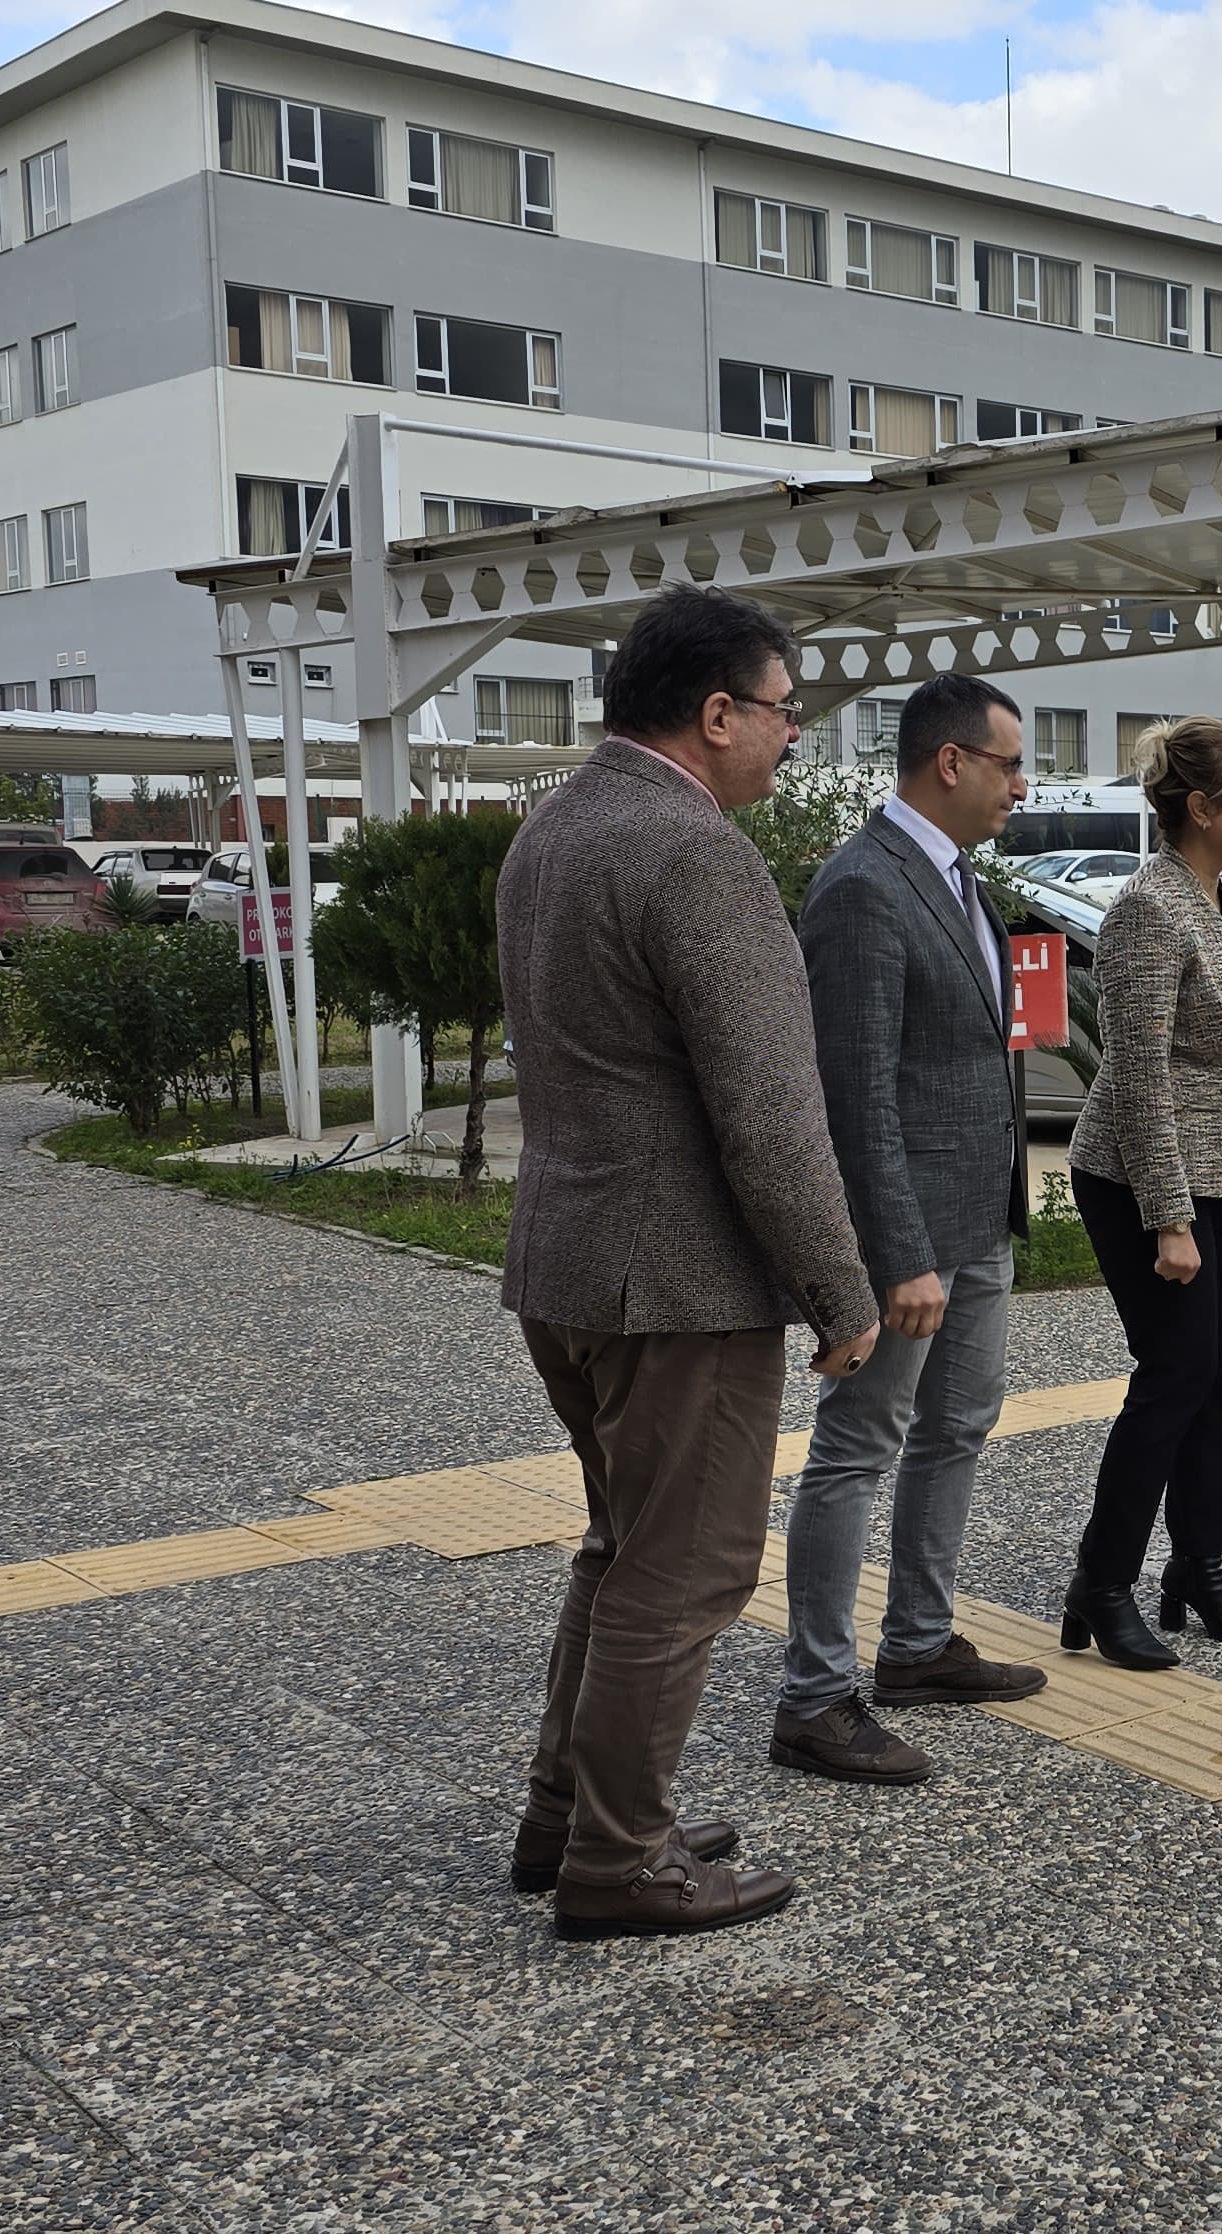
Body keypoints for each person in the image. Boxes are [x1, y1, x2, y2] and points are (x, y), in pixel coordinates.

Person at [494, 585, 879, 1942]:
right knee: (687, 1572)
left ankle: (574, 1818)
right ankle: (623, 1862)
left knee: (619, 1550)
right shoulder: (695, 854)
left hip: (567, 1262)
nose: (792, 740)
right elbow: (770, 1113)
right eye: (784, 712)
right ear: (717, 715)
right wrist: (840, 1294)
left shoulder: (555, 828)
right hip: (680, 1283)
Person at [768, 672, 1049, 1787]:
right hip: (913, 1240)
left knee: (958, 1427)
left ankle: (919, 1641)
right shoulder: (864, 887)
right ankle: (813, 1694)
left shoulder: (958, 877)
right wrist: (898, 1254)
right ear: (950, 761)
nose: (1020, 786)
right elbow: (857, 1091)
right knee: (856, 1444)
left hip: (978, 1220)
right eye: (1010, 764)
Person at [1059, 717, 1222, 1668]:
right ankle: (1100, 1585)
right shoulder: (1150, 909)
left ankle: (1197, 1567)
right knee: (1175, 1379)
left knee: (1220, 1383)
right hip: (1142, 1179)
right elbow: (1140, 1077)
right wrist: (1171, 1219)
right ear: (1200, 809)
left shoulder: (1221, 898)